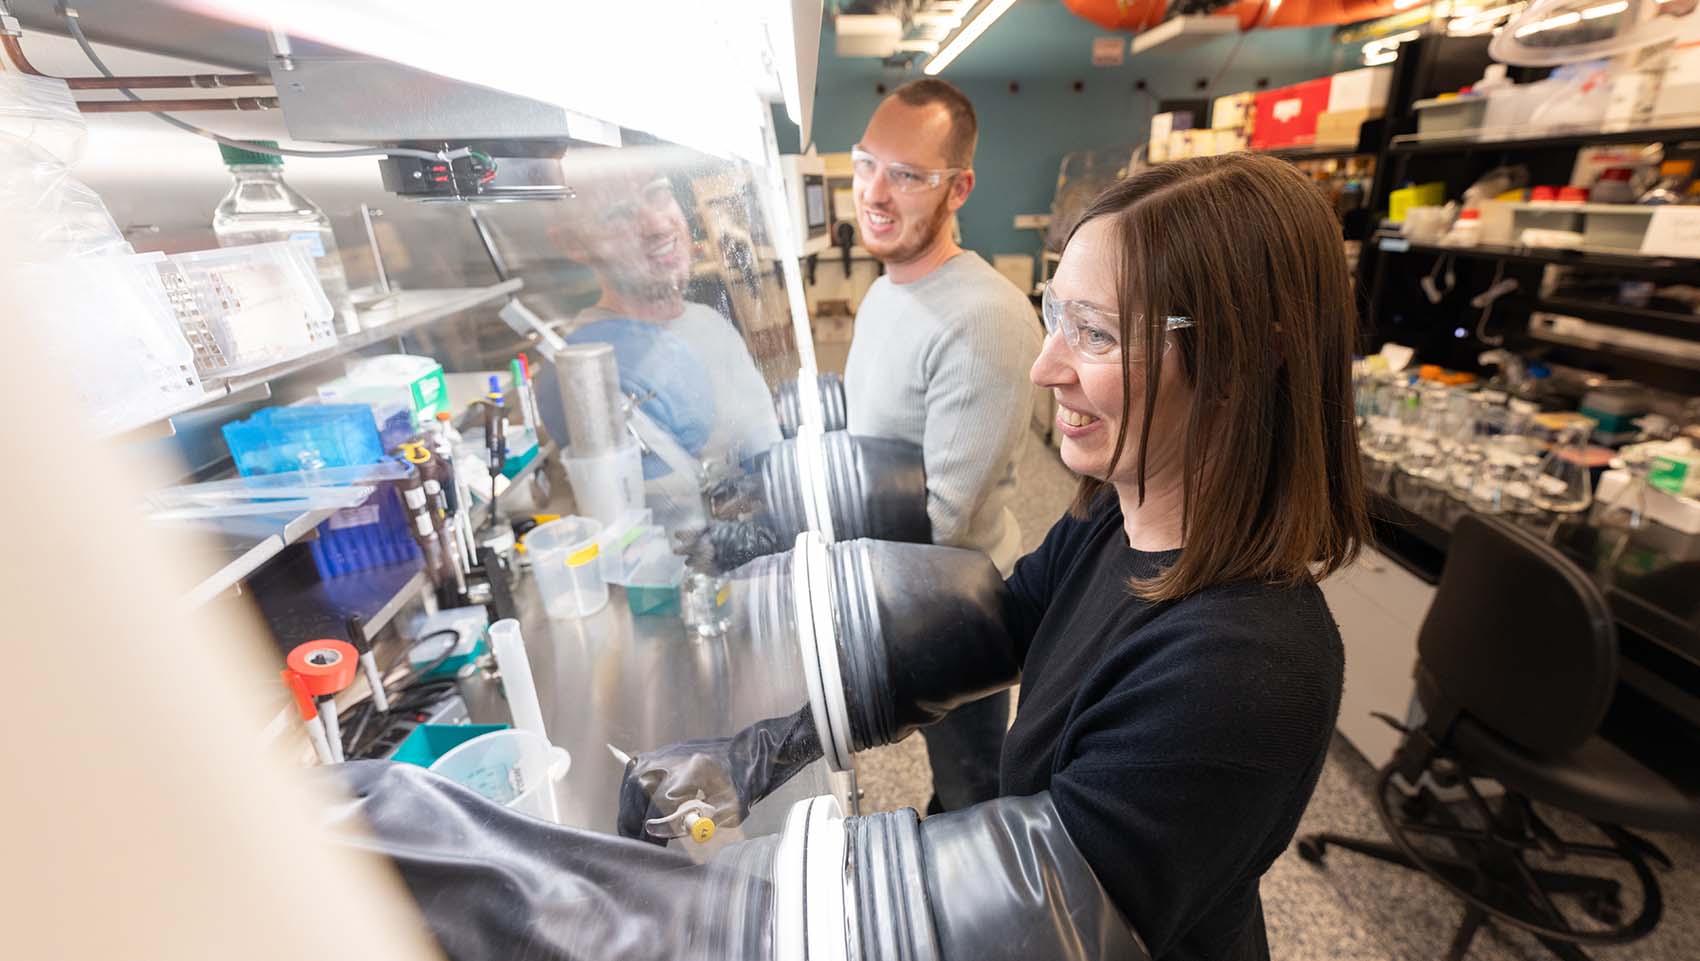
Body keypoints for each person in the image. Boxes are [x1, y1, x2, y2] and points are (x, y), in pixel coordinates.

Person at [608, 152, 1371, 961]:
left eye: (1097, 334)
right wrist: (774, 742)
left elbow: (1045, 902)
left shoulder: (1251, 665)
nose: (1046, 366)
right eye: (1058, 316)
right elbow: (999, 621)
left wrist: (702, 910)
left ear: (1245, 356)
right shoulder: (1119, 515)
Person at [841, 78, 1041, 812]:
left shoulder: (985, 318)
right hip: (896, 598)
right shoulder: (889, 286)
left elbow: (942, 524)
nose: (875, 192)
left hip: (951, 613)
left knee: (972, 793)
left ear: (959, 188)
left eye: (909, 175)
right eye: (867, 163)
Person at [549, 163, 782, 475]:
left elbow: (769, 457)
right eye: (619, 214)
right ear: (573, 244)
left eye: (657, 193)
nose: (657, 224)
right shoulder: (582, 369)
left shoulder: (711, 325)